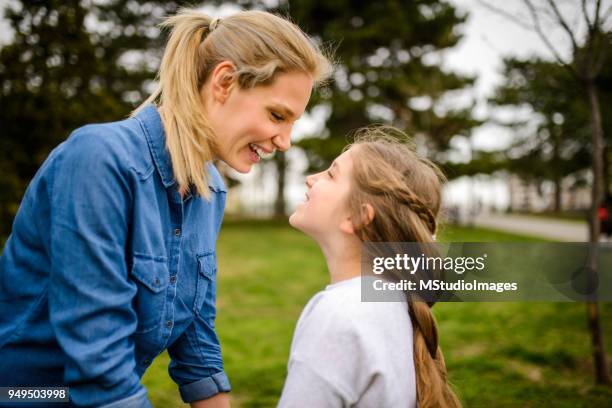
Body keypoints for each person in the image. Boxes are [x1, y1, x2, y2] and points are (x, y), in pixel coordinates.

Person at [0, 8, 331, 408]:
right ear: (224, 82)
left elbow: (196, 338)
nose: (285, 141)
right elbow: (99, 366)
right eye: (277, 115)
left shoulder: (212, 191)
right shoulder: (98, 160)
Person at [279, 127, 461, 408]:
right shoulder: (396, 303)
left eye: (331, 174)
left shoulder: (338, 315)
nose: (310, 178)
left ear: (359, 216)